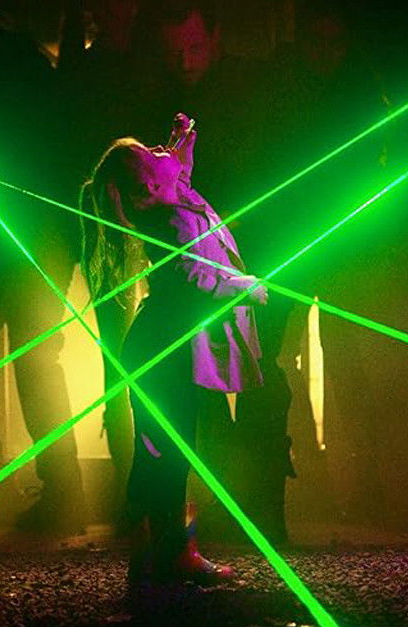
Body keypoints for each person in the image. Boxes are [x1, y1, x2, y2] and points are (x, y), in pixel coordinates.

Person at [79, 113, 266, 587]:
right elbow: (193, 273)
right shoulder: (168, 218)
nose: (162, 151)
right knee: (165, 454)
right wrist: (242, 287)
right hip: (165, 355)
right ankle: (165, 557)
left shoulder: (170, 200)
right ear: (148, 188)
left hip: (163, 351)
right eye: (152, 154)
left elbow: (178, 181)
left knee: (167, 453)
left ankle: (161, 556)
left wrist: (181, 149)